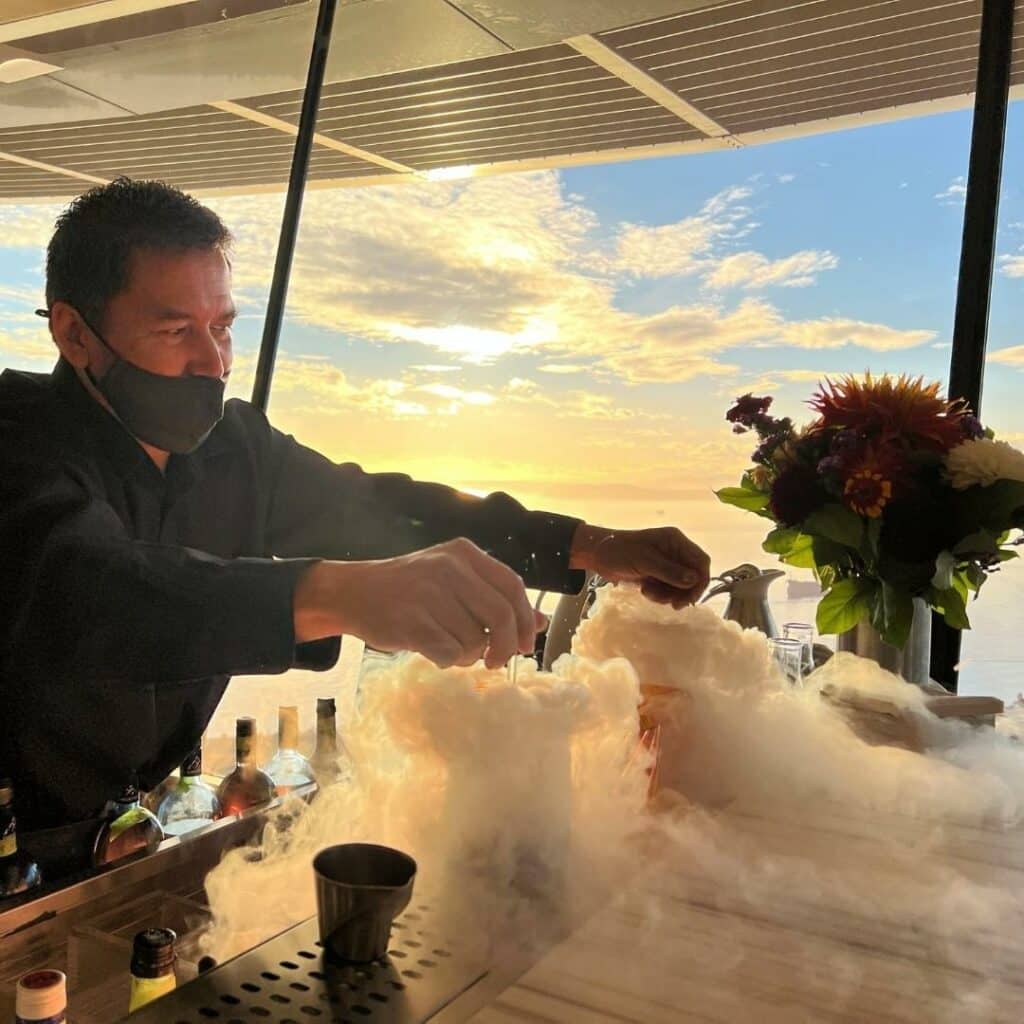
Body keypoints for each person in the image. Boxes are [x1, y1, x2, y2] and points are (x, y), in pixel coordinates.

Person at [0, 178, 710, 878]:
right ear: (73, 333)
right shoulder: (17, 439)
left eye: (221, 328)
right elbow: (99, 595)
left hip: (145, 837)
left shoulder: (234, 447)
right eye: (175, 330)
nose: (213, 364)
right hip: (19, 851)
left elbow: (379, 509)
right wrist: (338, 594)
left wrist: (587, 544)